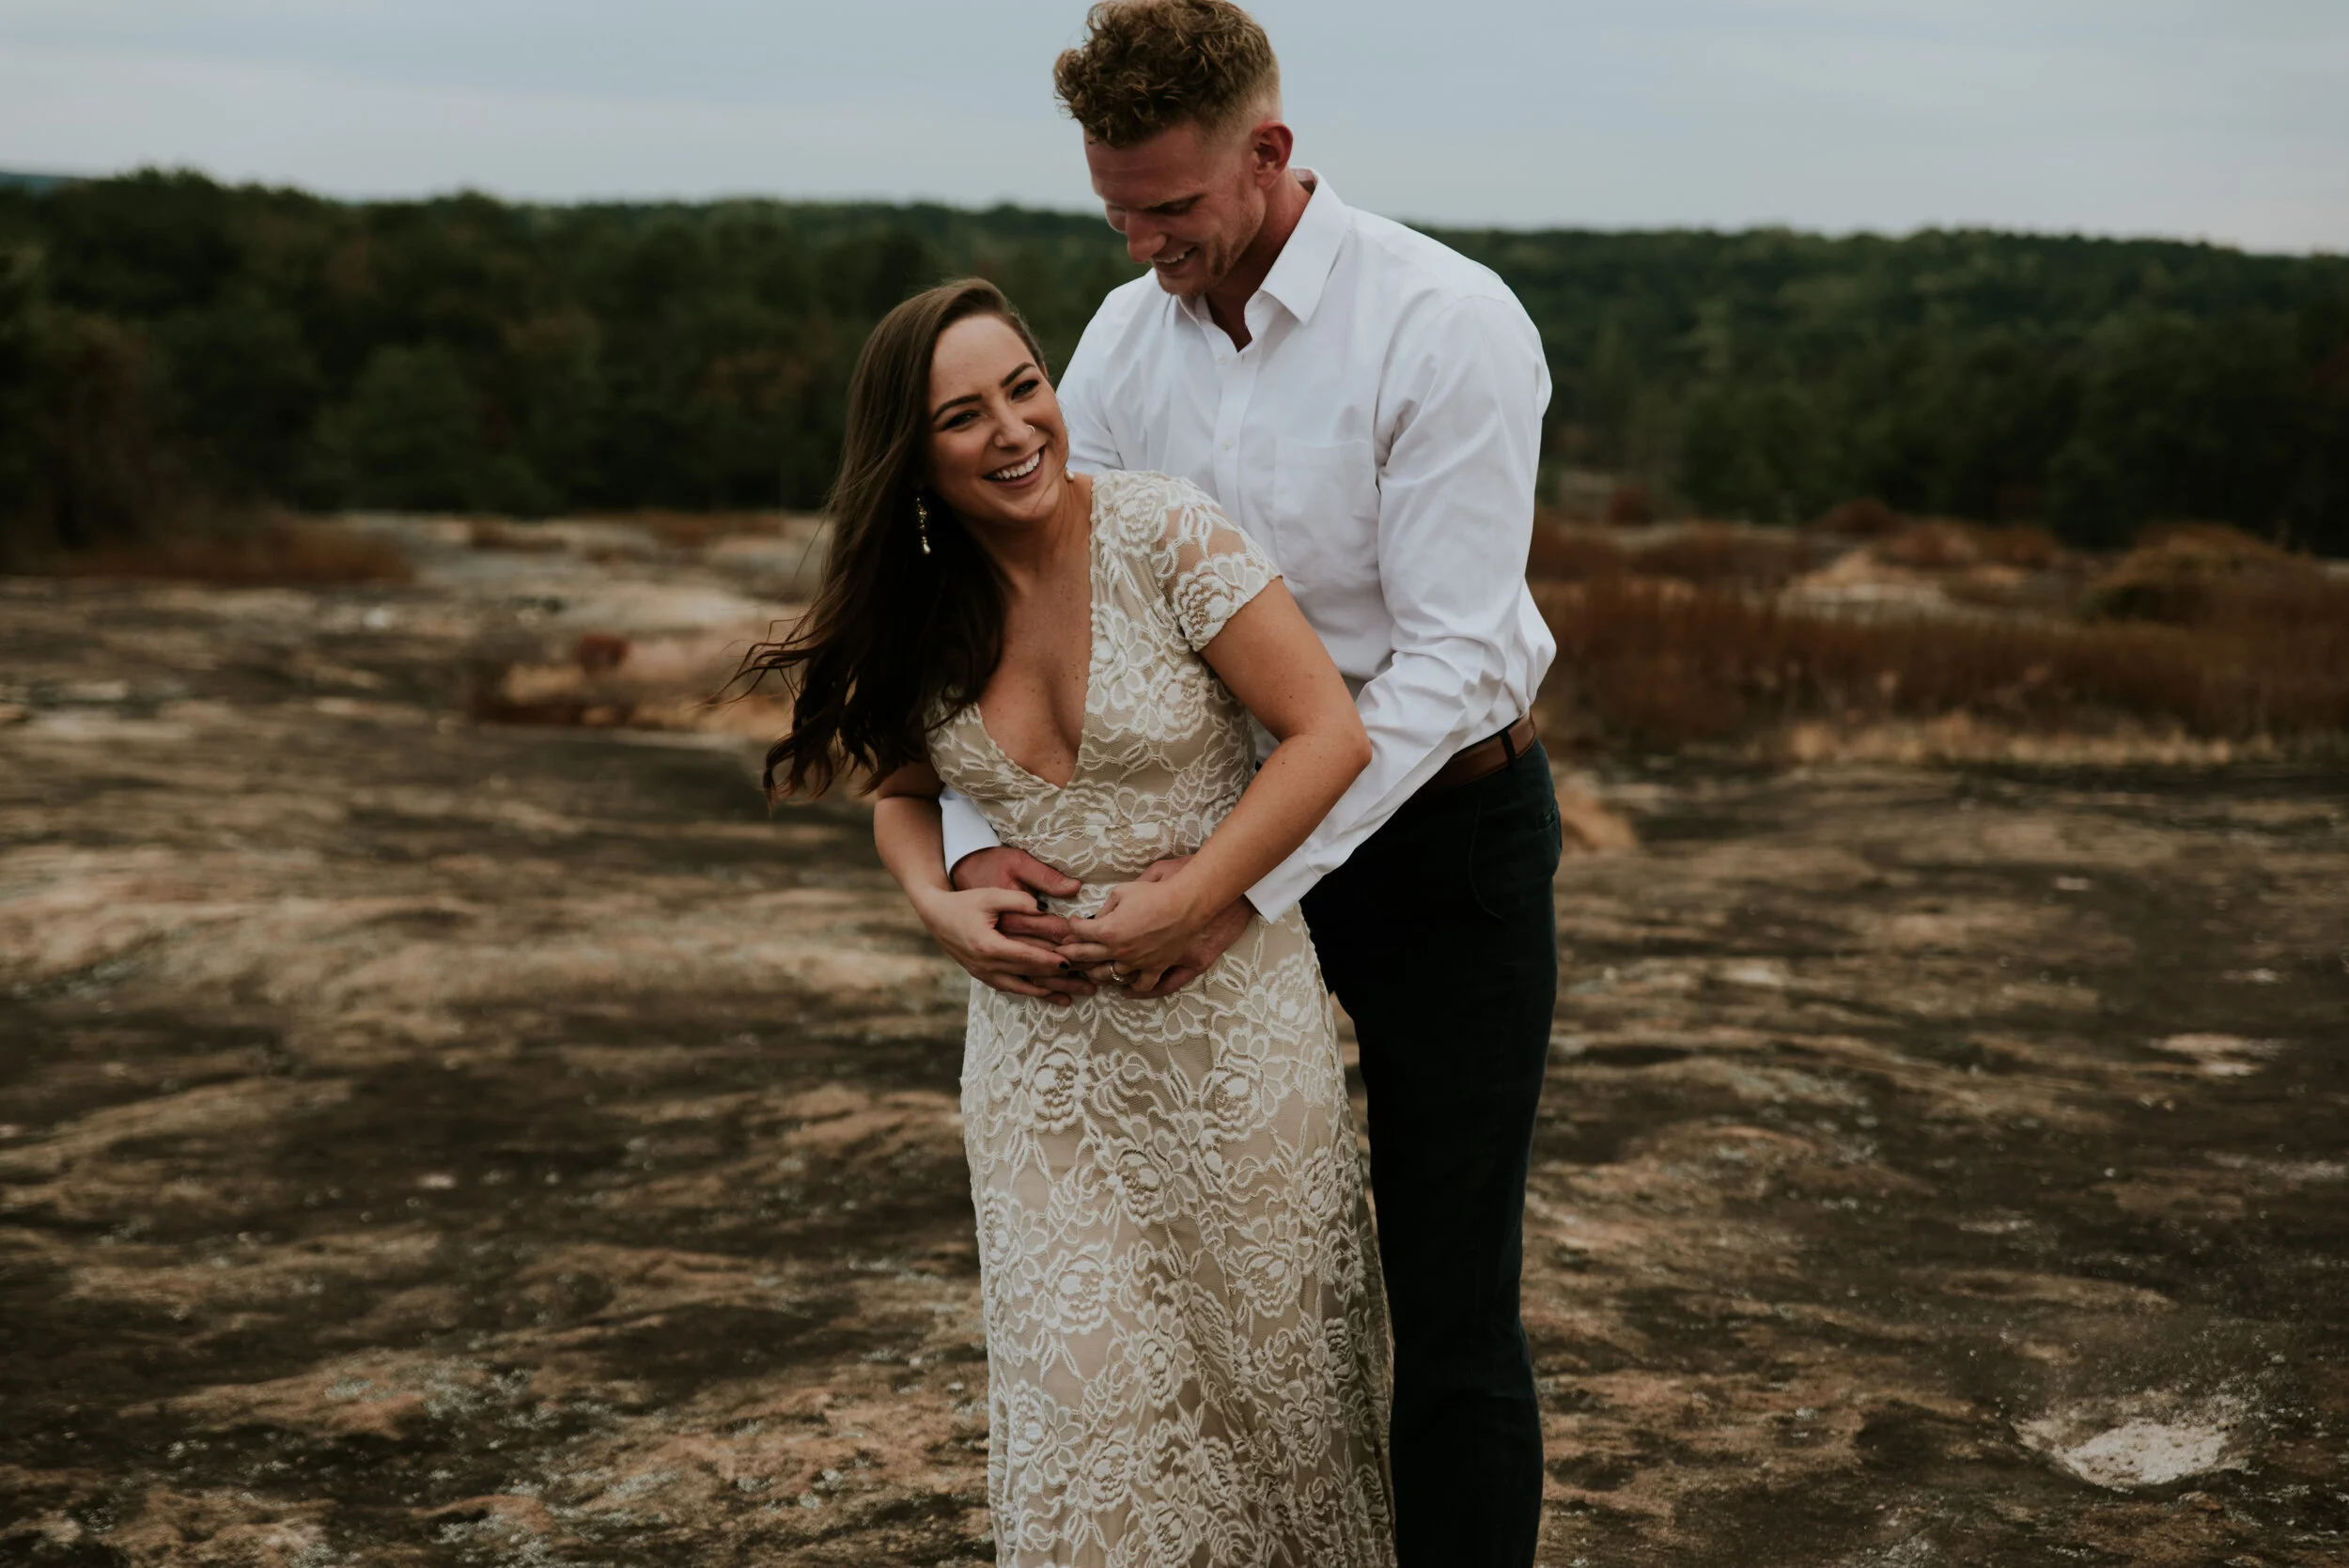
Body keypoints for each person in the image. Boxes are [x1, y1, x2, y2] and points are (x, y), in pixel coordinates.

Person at [924, 4, 1566, 1563]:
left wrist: (1239, 885)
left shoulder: (1445, 322)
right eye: (1115, 210)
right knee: (1223, 1275)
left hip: (1438, 839)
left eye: (1171, 207)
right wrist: (967, 841)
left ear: (1269, 155)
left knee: (1446, 1291)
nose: (1144, 244)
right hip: (1199, 842)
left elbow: (1457, 663)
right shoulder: (1130, 334)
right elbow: (1029, 588)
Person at [739, 278, 1396, 1565]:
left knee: (1280, 1399)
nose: (1012, 430)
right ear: (910, 458)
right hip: (1045, 1071)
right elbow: (904, 795)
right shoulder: (920, 607)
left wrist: (1199, 896)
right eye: (962, 415)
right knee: (1086, 1398)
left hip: (1232, 1040)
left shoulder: (1165, 537)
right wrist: (939, 906)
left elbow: (1329, 736)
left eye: (1024, 390)